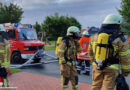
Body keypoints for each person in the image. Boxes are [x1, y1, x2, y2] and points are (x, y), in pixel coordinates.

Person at [88, 14, 130, 90]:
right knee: (107, 88)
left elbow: (90, 53)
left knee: (95, 86)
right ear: (116, 26)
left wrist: (94, 63)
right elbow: (125, 57)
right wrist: (126, 72)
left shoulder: (94, 37)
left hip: (97, 66)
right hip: (112, 68)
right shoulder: (121, 40)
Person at [58, 26, 82, 90]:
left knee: (75, 77)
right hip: (65, 64)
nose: (77, 35)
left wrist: (77, 42)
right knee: (66, 79)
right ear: (71, 34)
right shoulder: (64, 42)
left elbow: (79, 50)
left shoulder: (74, 41)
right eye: (76, 33)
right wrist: (64, 62)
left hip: (72, 63)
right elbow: (60, 53)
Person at [0, 24, 10, 90]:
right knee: (5, 80)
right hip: (4, 65)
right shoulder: (6, 41)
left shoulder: (1, 42)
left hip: (1, 65)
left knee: (5, 80)